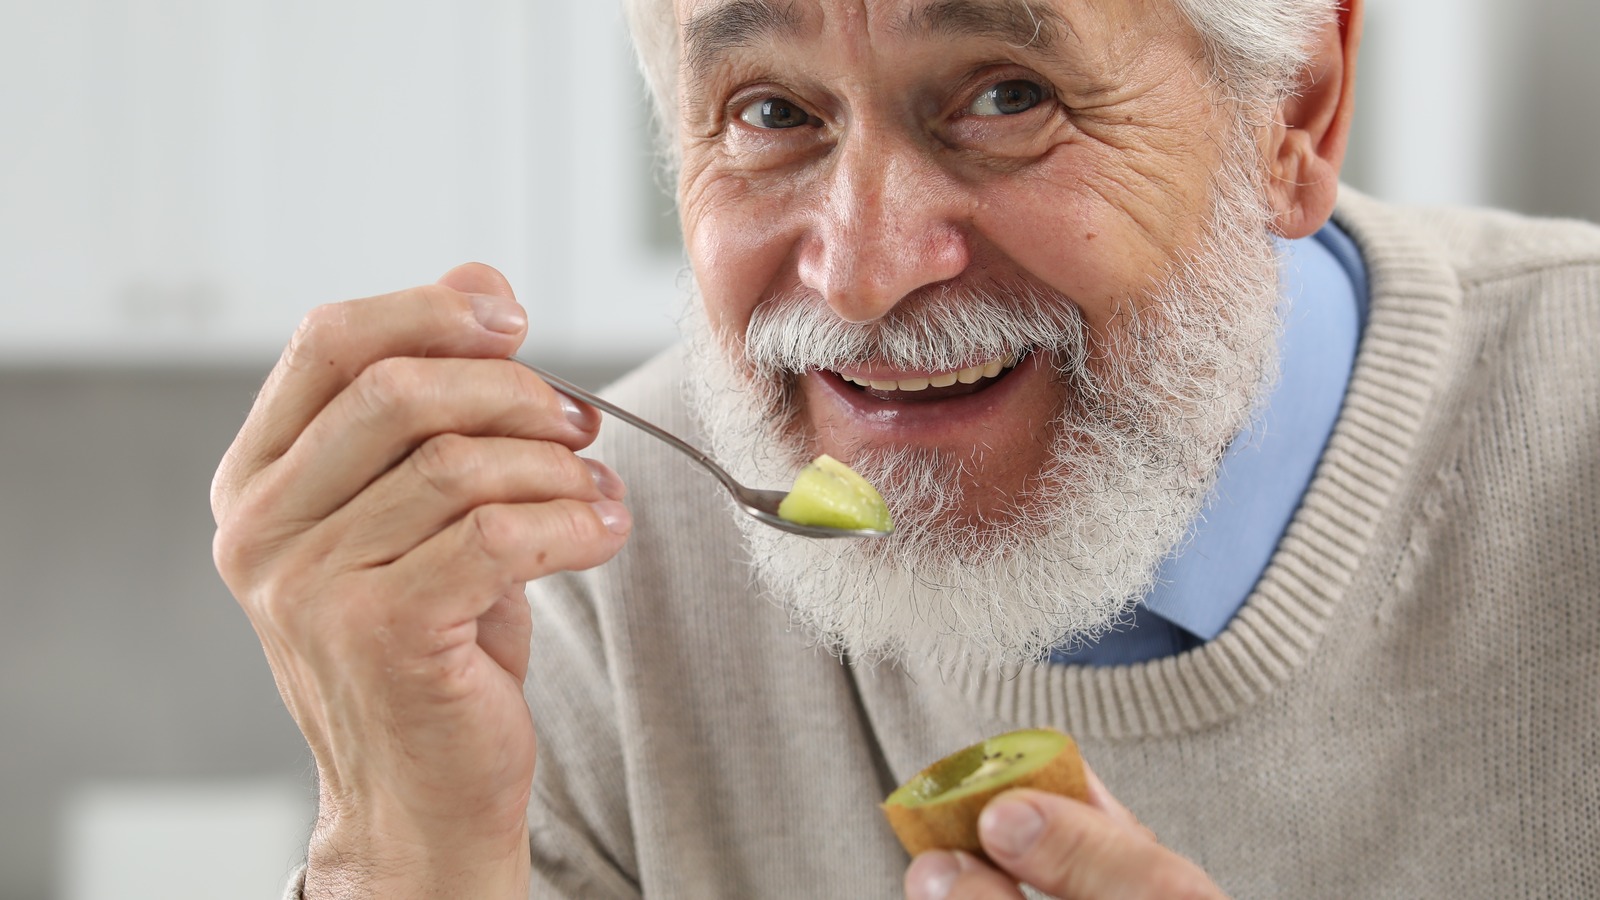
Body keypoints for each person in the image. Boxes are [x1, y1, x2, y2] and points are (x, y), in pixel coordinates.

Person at [210, 0, 1600, 896]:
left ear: (1292, 109)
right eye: (772, 113)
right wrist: (400, 846)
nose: (865, 273)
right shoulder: (571, 581)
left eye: (1004, 94)